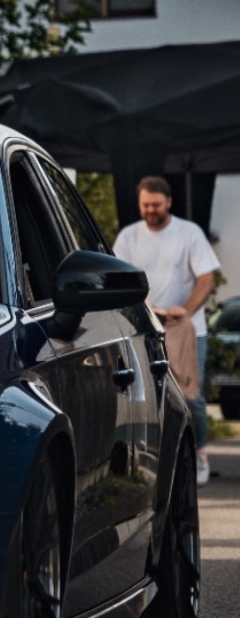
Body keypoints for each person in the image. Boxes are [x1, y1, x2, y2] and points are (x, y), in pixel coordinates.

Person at [114, 176, 219, 486]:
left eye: (156, 205)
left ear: (168, 202)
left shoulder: (189, 233)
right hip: (147, 327)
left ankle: (199, 453)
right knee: (148, 397)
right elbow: (119, 277)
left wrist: (186, 308)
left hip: (186, 328)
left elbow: (207, 279)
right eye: (145, 205)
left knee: (191, 397)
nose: (150, 210)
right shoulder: (129, 236)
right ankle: (157, 460)